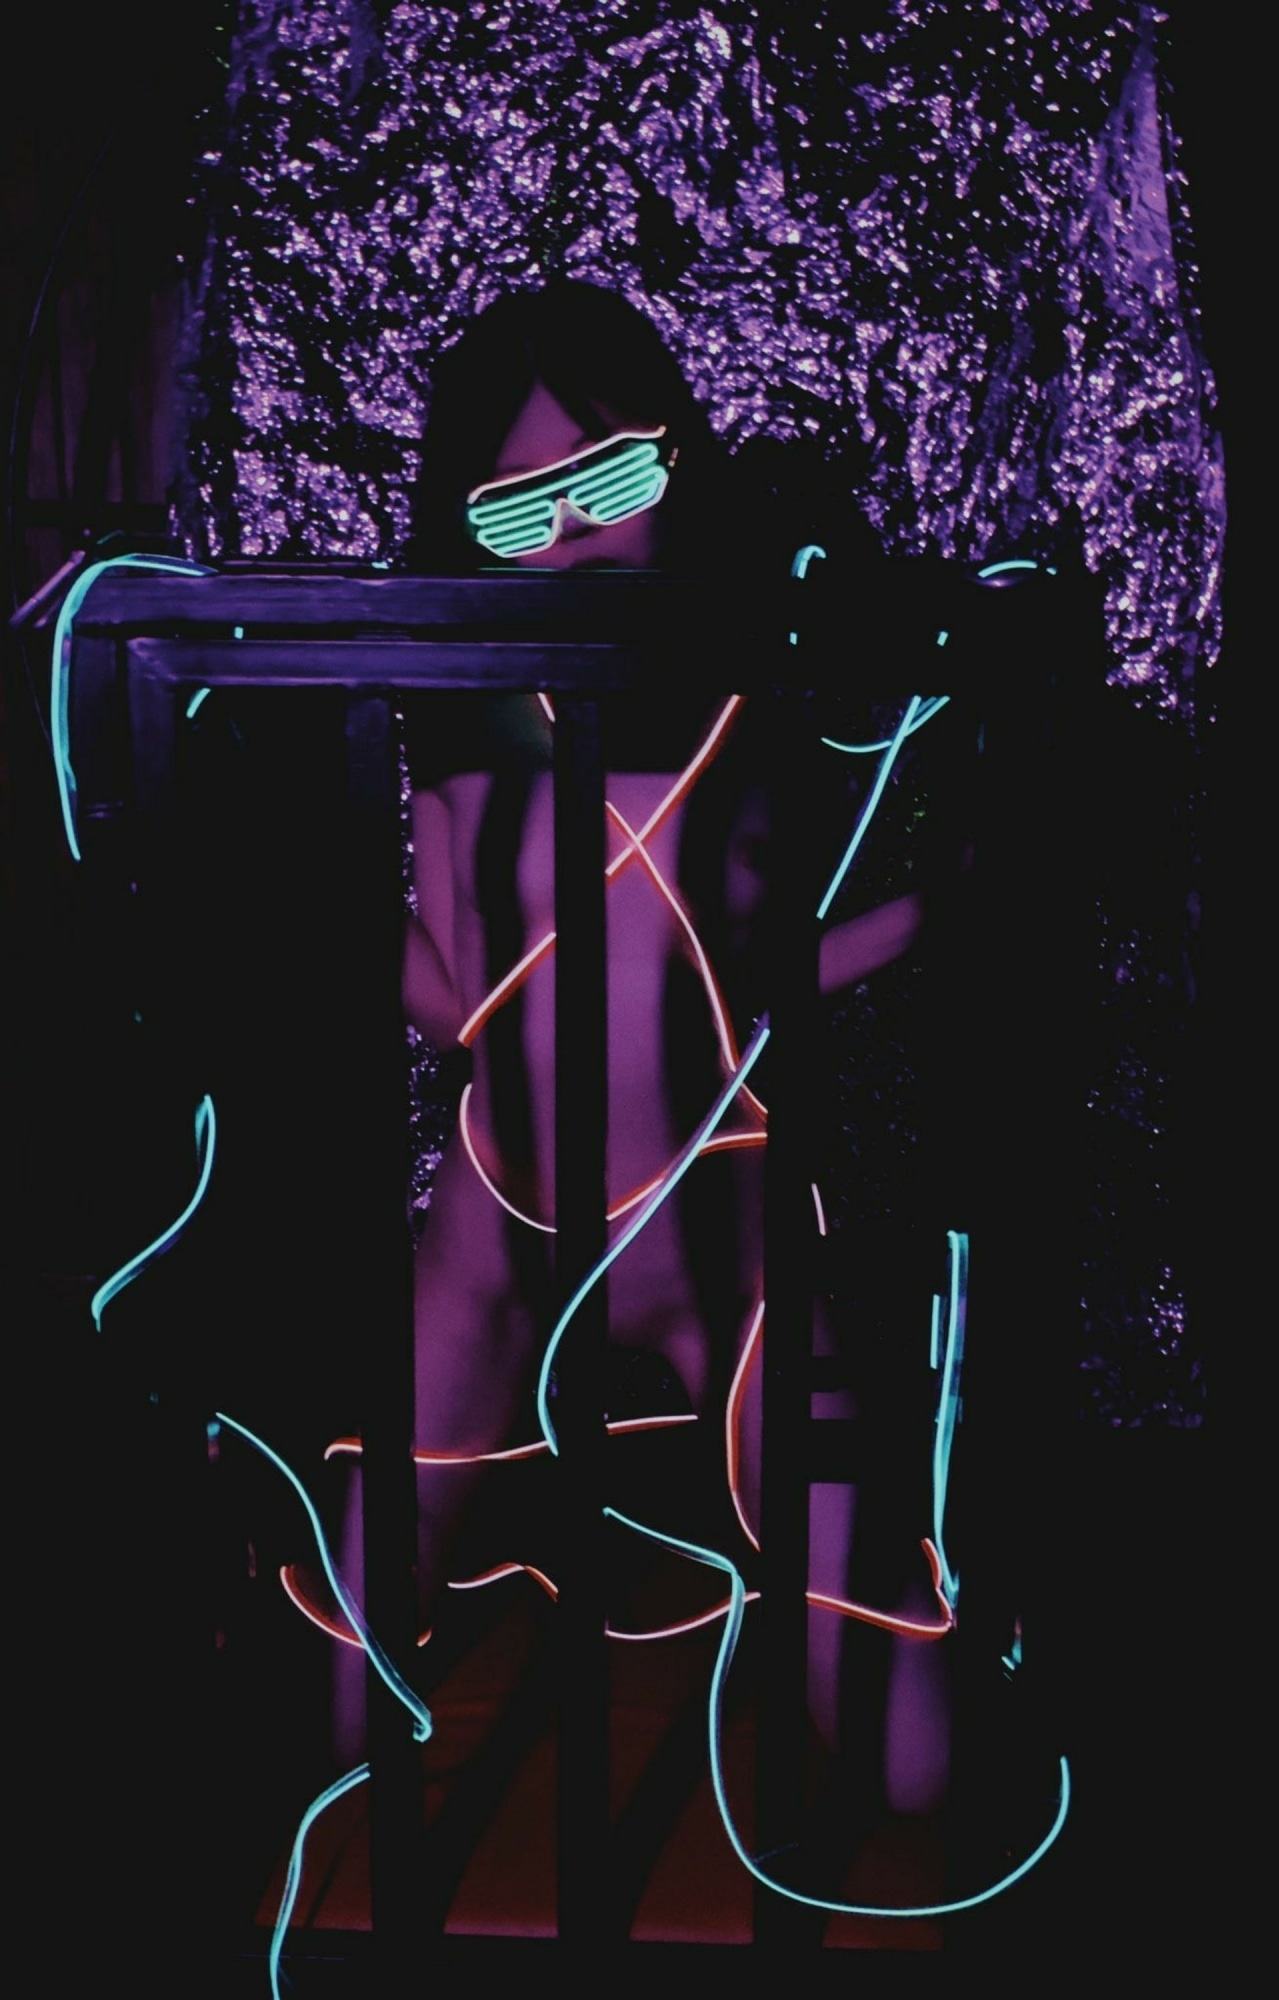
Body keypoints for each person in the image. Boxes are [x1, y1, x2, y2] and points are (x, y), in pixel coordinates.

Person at [336, 281, 946, 1813]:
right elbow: (455, 991)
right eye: (515, 510)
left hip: (722, 1241)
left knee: (913, 1761)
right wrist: (317, 900)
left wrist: (939, 909)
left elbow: (760, 979)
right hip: (495, 1244)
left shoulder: (744, 711)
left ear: (677, 469)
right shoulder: (462, 723)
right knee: (322, 1710)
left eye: (609, 478)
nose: (571, 534)